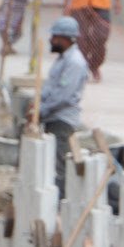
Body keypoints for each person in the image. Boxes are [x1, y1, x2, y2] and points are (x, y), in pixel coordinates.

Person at [38, 15, 88, 197]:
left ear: (66, 39)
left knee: (61, 167)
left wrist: (41, 110)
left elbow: (63, 96)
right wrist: (36, 105)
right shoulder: (62, 59)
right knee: (48, 163)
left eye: (55, 37)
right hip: (52, 118)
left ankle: (61, 203)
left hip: (62, 121)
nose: (51, 40)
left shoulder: (75, 62)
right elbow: (50, 89)